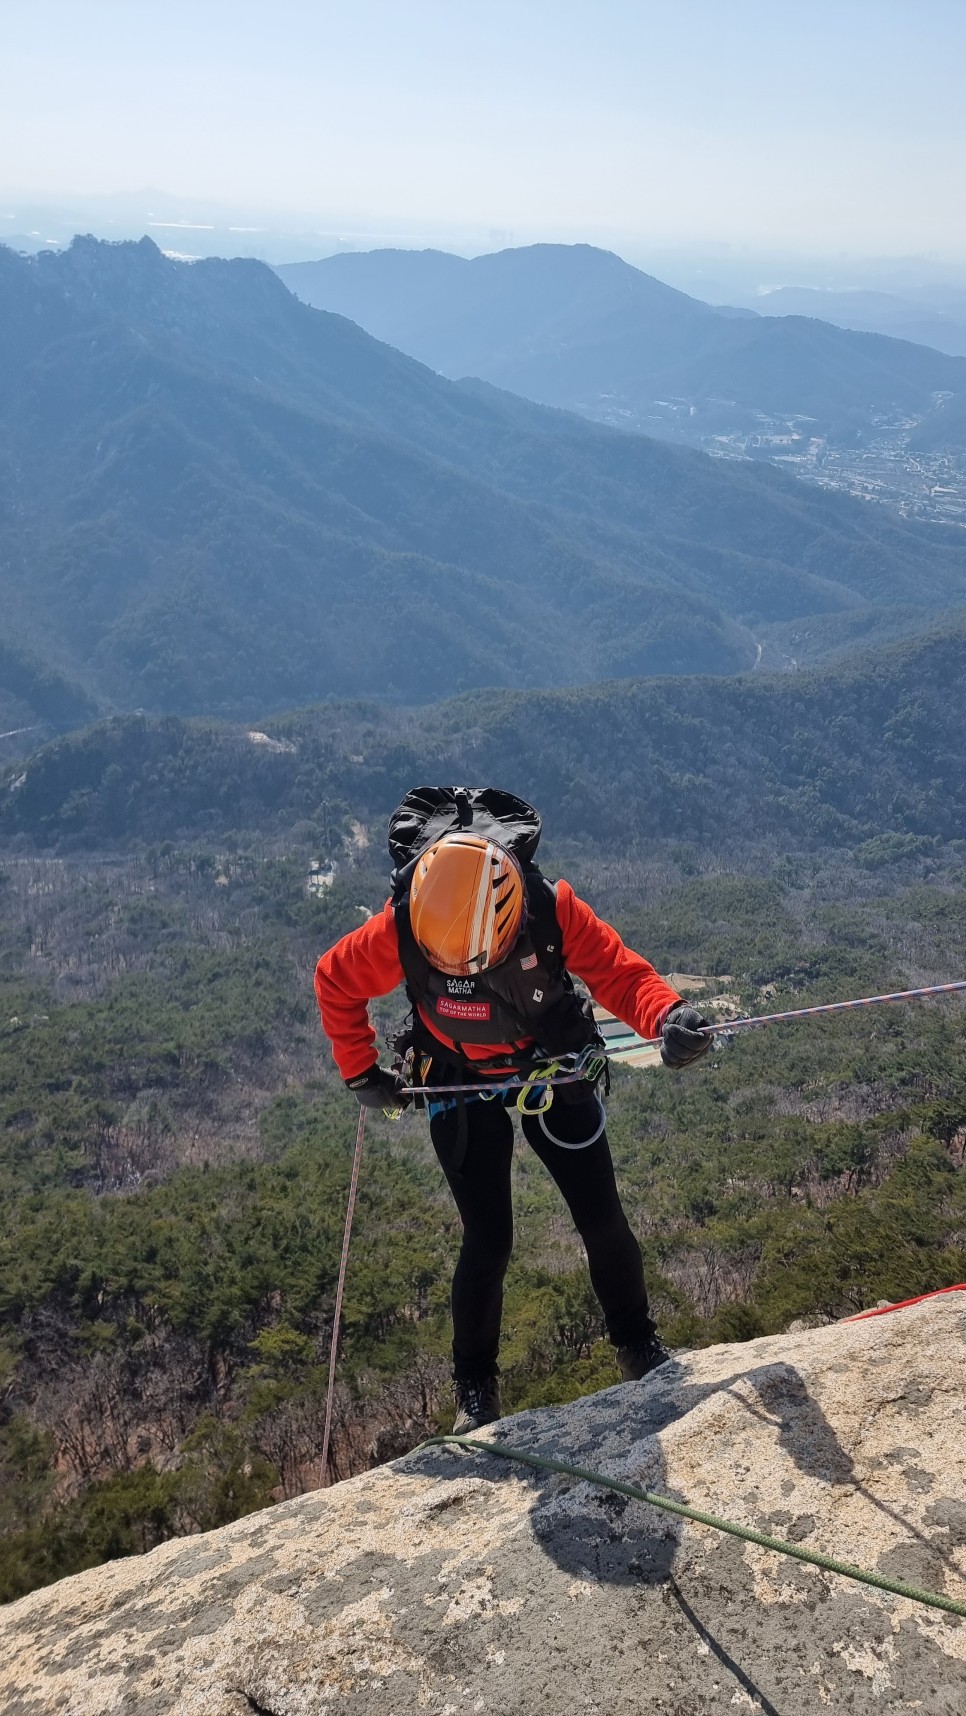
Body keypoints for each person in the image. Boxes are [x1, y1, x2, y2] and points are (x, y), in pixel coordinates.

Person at [314, 788, 711, 1433]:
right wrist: (358, 1069)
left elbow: (618, 973)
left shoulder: (551, 911)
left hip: (547, 1067)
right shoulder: (402, 924)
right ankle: (476, 1392)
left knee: (601, 1219)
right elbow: (335, 978)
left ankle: (638, 1349)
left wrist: (668, 1017)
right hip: (458, 1079)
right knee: (489, 1239)